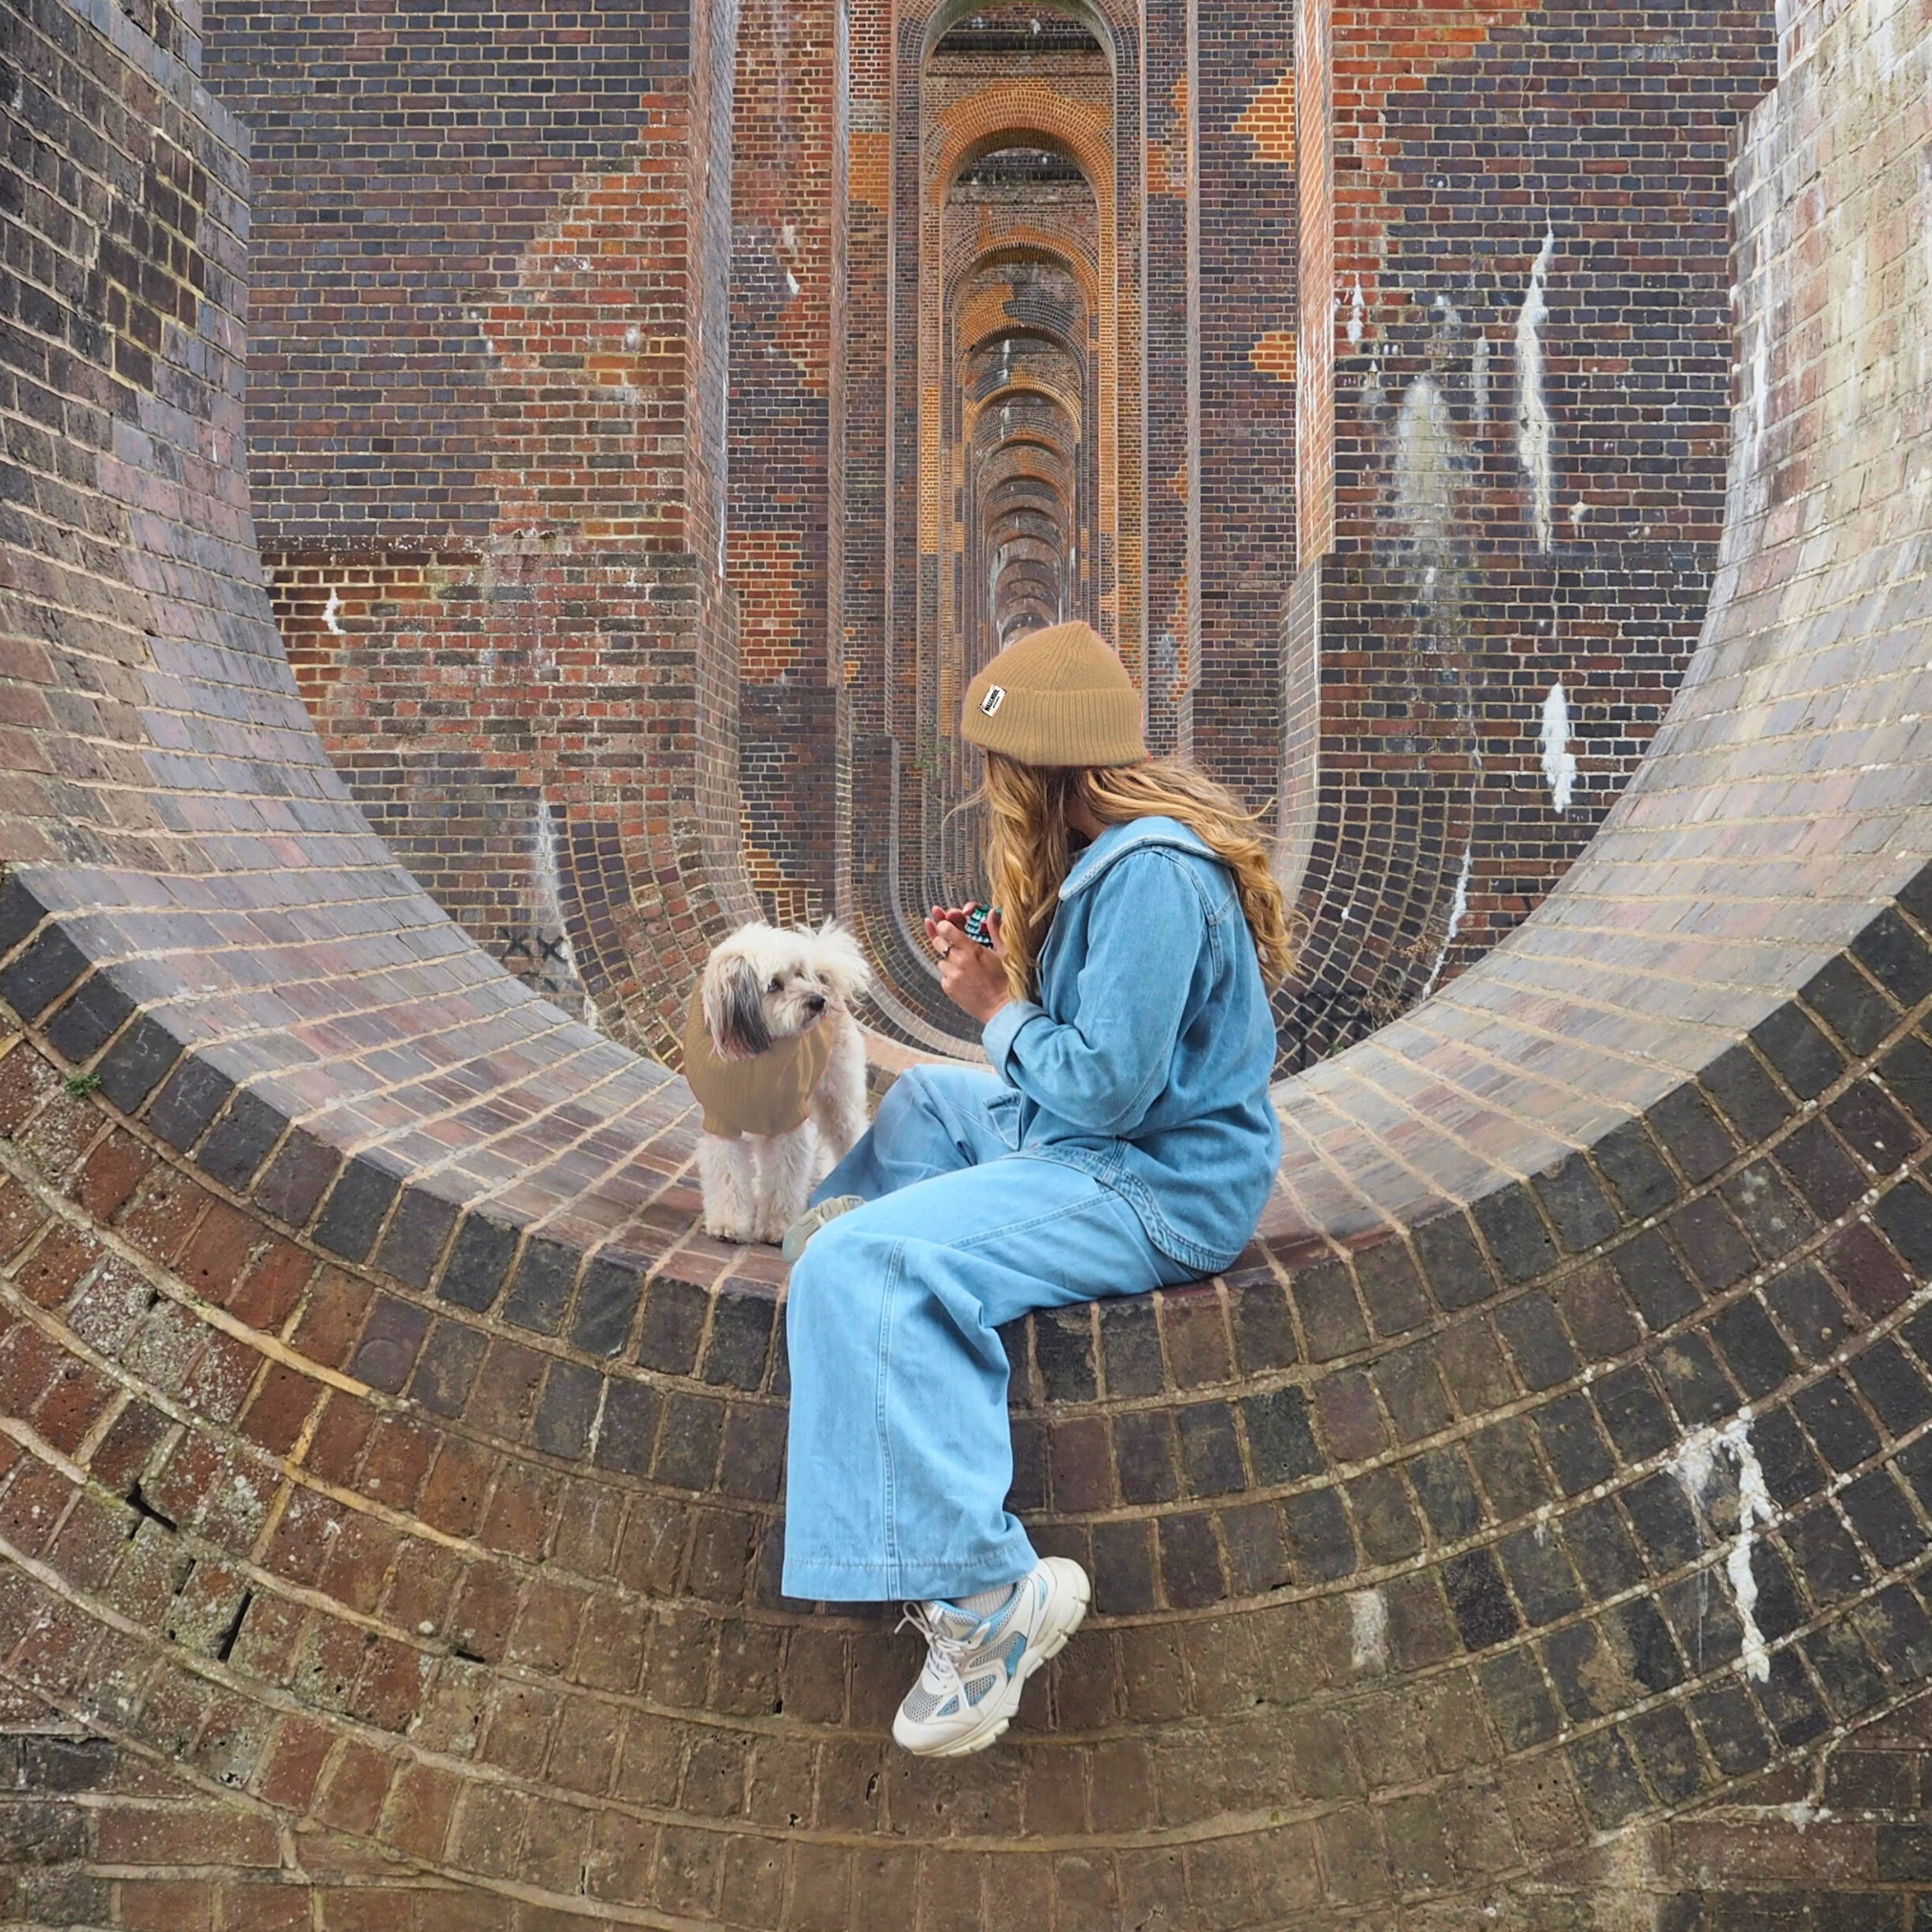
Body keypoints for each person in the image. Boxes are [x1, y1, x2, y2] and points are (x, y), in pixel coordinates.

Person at [778, 619, 1295, 1756]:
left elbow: (1109, 1091)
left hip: (1151, 1183)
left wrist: (993, 1011)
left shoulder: (1154, 875)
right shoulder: (1115, 860)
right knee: (921, 1108)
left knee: (862, 1265)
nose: (986, 784)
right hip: (1096, 1143)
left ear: (1042, 765)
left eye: (994, 764)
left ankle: (985, 1601)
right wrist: (1008, 972)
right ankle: (861, 1324)